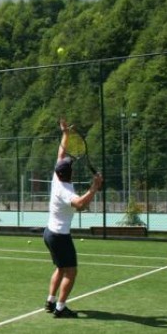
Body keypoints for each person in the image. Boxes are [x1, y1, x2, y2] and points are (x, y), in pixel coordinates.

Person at [43, 119, 103, 318]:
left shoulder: (56, 176)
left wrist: (66, 134)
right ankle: (60, 309)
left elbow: (61, 154)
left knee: (60, 268)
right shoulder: (66, 191)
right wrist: (94, 187)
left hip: (49, 233)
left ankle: (50, 302)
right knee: (71, 271)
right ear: (71, 173)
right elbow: (80, 204)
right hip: (60, 236)